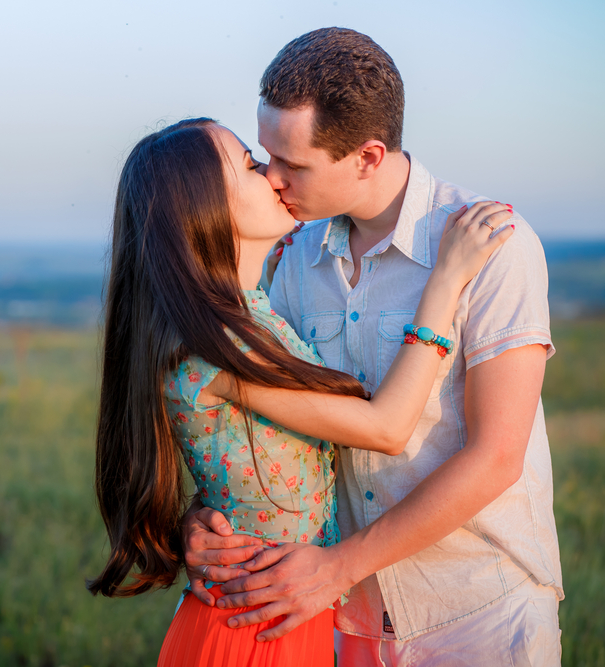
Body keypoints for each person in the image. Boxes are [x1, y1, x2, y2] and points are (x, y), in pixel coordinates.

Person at [181, 28, 563, 666]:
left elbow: (497, 457)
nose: (272, 179)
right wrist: (209, 515)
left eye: (293, 164)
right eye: (265, 155)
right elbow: (284, 426)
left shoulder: (491, 242)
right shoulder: (295, 258)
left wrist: (336, 568)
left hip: (475, 610)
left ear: (367, 156)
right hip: (341, 616)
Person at [86, 115, 513, 665]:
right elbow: (385, 428)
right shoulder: (221, 347)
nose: (273, 175)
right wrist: (445, 283)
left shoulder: (250, 318)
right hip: (253, 629)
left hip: (277, 614)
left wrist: (203, 513)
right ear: (204, 211)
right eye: (250, 165)